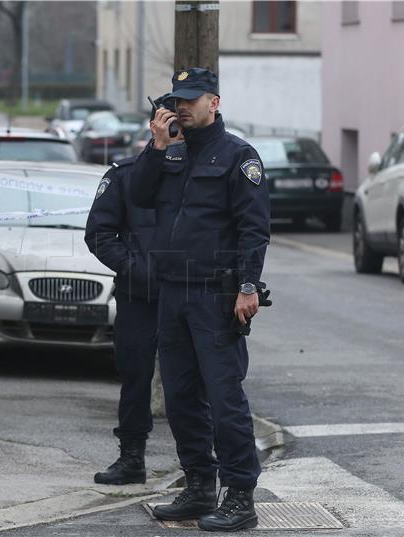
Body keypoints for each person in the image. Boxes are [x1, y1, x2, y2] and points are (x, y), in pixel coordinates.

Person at [130, 68, 270, 532]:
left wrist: (248, 285)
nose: (183, 107)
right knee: (181, 397)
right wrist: (156, 147)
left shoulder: (238, 157)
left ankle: (240, 496)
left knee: (224, 397)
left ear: (215, 102)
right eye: (177, 100)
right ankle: (198, 486)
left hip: (215, 293)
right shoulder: (170, 153)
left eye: (192, 99)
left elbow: (254, 228)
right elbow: (140, 196)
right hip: (172, 292)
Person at [84, 152, 159, 485]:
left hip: (190, 293)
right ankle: (131, 457)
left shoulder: (204, 168)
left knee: (194, 382)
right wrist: (136, 270)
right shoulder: (126, 173)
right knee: (135, 377)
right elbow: (99, 233)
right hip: (138, 295)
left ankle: (200, 469)